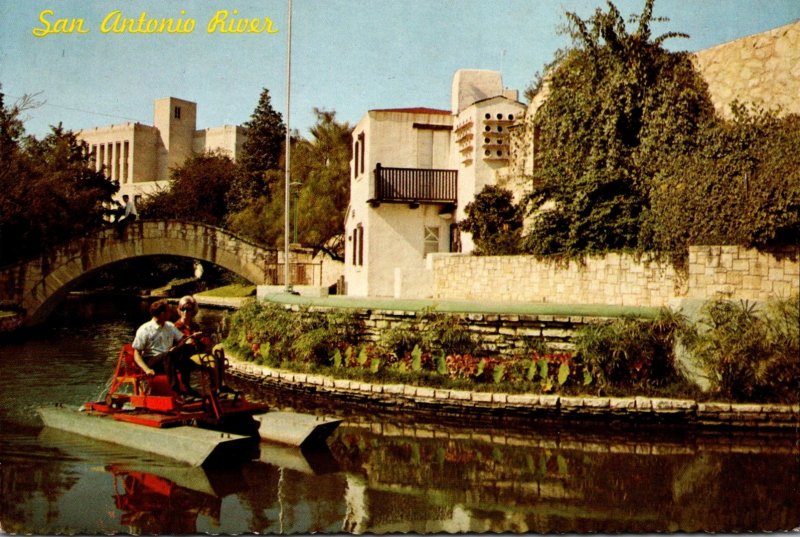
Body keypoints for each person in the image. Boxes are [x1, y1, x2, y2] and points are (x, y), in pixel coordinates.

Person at [131, 299, 201, 401]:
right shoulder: (144, 329)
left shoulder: (169, 326)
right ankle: (177, 392)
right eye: (168, 311)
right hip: (152, 361)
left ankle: (187, 388)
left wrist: (192, 339)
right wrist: (147, 369)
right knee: (167, 355)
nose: (171, 313)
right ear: (162, 313)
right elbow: (136, 354)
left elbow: (182, 340)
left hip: (168, 360)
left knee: (187, 349)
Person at [174, 295, 233, 394]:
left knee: (219, 348)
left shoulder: (195, 326)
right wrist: (190, 339)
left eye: (188, 309)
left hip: (198, 351)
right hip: (187, 356)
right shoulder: (176, 327)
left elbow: (205, 343)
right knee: (210, 360)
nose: (185, 312)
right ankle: (216, 389)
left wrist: (202, 339)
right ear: (179, 310)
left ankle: (222, 384)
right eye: (183, 309)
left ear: (193, 311)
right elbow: (177, 346)